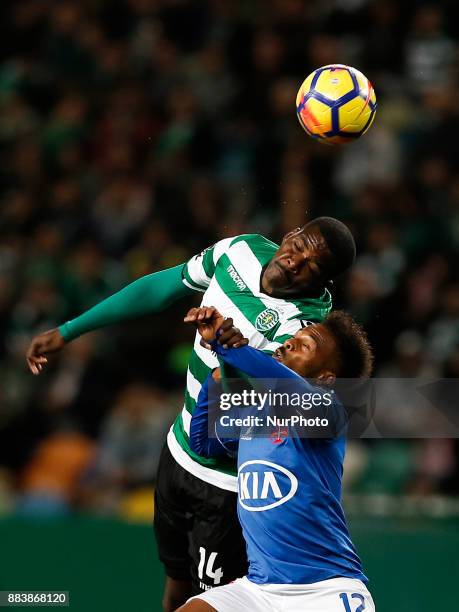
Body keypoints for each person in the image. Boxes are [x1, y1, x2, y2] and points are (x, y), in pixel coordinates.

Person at [26, 217, 356, 609]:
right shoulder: (240, 250)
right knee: (176, 588)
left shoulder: (306, 332)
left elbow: (239, 418)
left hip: (225, 486)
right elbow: (161, 287)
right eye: (299, 245)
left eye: (313, 266)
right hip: (178, 451)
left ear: (324, 282)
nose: (296, 261)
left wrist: (231, 354)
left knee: (209, 601)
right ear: (290, 235)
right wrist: (70, 329)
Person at [179, 305, 374, 612]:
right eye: (293, 337)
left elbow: (288, 386)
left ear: (325, 377)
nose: (288, 343)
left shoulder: (328, 409)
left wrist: (227, 345)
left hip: (326, 589)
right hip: (258, 589)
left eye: (305, 345)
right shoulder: (255, 412)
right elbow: (203, 443)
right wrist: (217, 378)